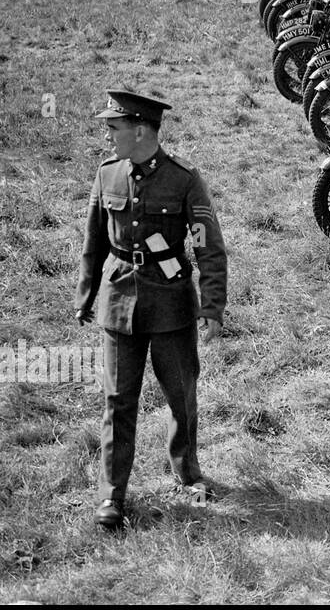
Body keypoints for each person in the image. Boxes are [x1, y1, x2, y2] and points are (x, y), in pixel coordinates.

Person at [74, 91, 227, 530]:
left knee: (181, 395)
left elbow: (208, 249)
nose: (108, 135)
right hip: (119, 301)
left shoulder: (184, 180)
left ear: (140, 129)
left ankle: (187, 471)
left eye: (114, 127)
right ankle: (112, 496)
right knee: (118, 401)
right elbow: (94, 242)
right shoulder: (107, 175)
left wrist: (212, 306)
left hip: (171, 304)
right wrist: (86, 294)